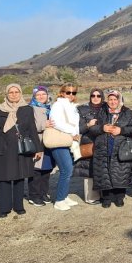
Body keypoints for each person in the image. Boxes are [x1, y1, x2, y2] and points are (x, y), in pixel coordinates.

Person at [0, 84, 42, 217]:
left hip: (20, 148)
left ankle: (18, 206)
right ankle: (4, 209)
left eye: (17, 92)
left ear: (20, 93)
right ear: (6, 94)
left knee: (19, 177)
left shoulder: (27, 109)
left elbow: (32, 129)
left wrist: (38, 149)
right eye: (11, 92)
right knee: (3, 178)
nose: (14, 94)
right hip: (2, 148)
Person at [89, 90, 132, 208]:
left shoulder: (128, 113)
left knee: (121, 172)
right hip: (103, 147)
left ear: (119, 100)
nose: (112, 102)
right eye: (110, 99)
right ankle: (106, 197)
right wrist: (102, 128)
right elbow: (92, 128)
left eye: (115, 99)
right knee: (104, 172)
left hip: (121, 147)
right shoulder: (101, 111)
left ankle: (119, 197)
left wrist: (121, 130)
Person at [49, 83, 82, 211]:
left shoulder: (72, 107)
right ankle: (59, 200)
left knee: (69, 169)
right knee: (66, 170)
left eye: (74, 93)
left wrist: (76, 135)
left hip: (68, 141)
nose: (71, 95)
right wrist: (73, 133)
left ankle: (64, 195)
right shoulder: (58, 105)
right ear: (62, 93)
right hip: (60, 140)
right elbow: (55, 122)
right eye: (68, 92)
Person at [74, 88, 105, 204]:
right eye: (93, 95)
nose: (96, 98)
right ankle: (91, 197)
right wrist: (88, 124)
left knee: (103, 169)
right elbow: (78, 129)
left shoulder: (106, 108)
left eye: (98, 95)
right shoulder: (82, 110)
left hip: (103, 143)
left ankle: (104, 194)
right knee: (89, 169)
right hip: (89, 142)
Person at [28, 85, 54, 207]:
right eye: (38, 95)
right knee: (36, 170)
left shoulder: (50, 107)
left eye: (43, 94)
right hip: (37, 142)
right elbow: (29, 127)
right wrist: (45, 124)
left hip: (49, 142)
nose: (41, 96)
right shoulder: (30, 109)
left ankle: (43, 193)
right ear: (34, 96)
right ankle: (34, 196)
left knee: (47, 169)